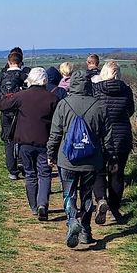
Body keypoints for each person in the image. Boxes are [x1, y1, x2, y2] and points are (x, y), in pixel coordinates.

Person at [47, 68, 109, 249]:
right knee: (87, 195)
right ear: (88, 85)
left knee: (69, 193)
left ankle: (72, 219)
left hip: (67, 159)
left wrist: (50, 154)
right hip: (91, 160)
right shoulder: (99, 106)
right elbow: (107, 136)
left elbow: (55, 134)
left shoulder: (64, 104)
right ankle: (86, 231)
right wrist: (108, 157)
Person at [0, 67, 58, 219]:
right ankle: (42, 204)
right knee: (45, 174)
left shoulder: (22, 96)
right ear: (45, 80)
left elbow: (2, 105)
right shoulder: (52, 98)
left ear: (30, 79)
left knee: (30, 174)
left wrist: (12, 92)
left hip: (24, 141)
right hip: (45, 141)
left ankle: (33, 206)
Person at [92, 60, 134, 224]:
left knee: (99, 171)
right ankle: (114, 207)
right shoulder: (126, 90)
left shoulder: (96, 90)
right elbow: (130, 110)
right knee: (117, 173)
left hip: (101, 137)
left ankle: (101, 199)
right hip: (122, 136)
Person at [0, 49, 28, 179]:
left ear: (8, 62)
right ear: (20, 62)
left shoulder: (1, 76)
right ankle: (23, 162)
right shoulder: (24, 76)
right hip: (21, 112)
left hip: (5, 112)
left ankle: (12, 171)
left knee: (8, 140)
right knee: (23, 138)